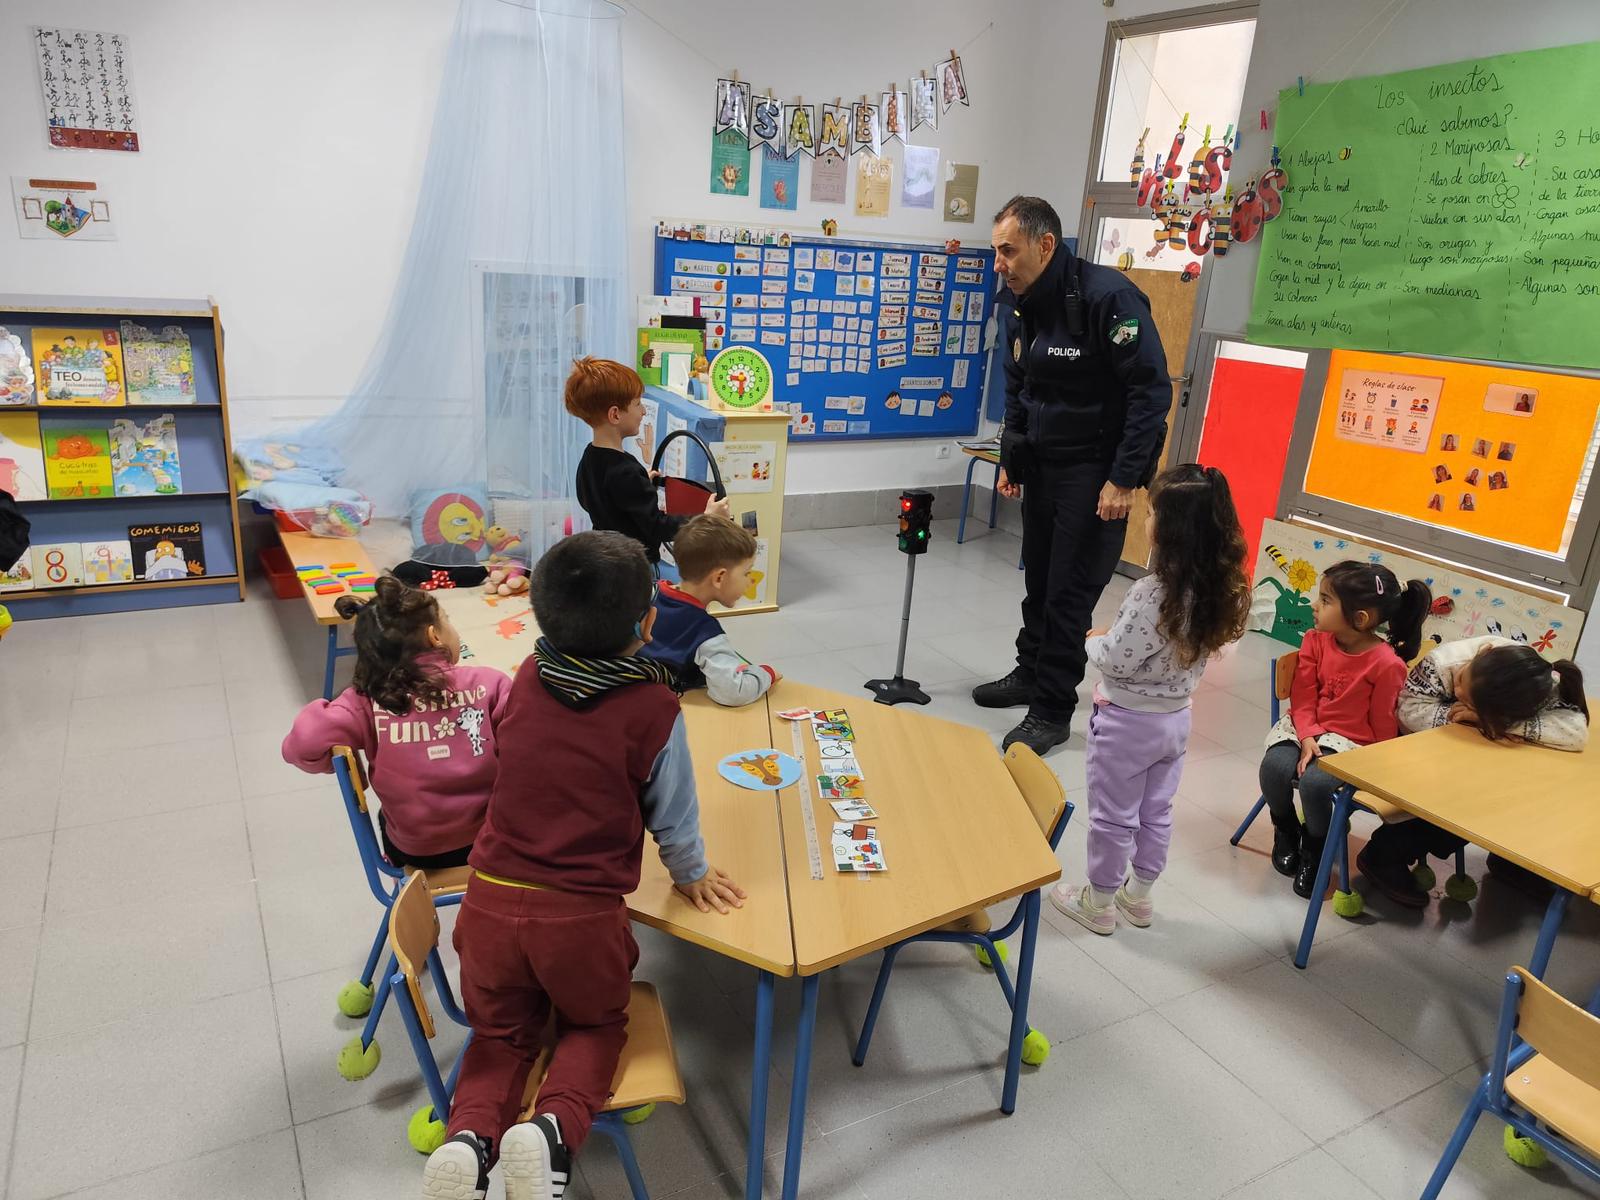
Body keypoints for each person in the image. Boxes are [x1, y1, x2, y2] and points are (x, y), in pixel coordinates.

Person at [422, 531, 746, 1200]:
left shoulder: (528, 677)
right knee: (595, 1024)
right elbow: (674, 813)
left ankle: (468, 1139)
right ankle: (550, 1135)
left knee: (501, 1035)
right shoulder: (654, 706)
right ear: (649, 624)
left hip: (485, 903)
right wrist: (690, 875)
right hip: (577, 918)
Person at [973, 195, 1172, 755]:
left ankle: (1053, 707)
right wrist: (1013, 458)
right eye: (996, 252)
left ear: (1044, 244)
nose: (1000, 265)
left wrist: (1125, 478)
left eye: (1008, 251)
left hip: (1096, 471)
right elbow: (1019, 385)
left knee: (1068, 591)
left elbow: (1150, 392)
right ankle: (1029, 673)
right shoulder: (1019, 302)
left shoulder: (1108, 298)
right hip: (1044, 465)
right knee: (1039, 579)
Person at [1049, 465, 1252, 934]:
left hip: (1126, 723)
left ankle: (1097, 902)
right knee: (1156, 811)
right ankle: (1138, 897)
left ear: (1171, 529)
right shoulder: (1219, 589)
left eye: (1154, 512)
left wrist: (1093, 640)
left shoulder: (1152, 593)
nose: (1147, 519)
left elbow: (1118, 659)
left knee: (1112, 817)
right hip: (1176, 721)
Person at [282, 575, 511, 869]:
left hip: (415, 851)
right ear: (435, 636)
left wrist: (349, 769)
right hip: (492, 843)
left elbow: (299, 747)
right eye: (448, 620)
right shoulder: (489, 684)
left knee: (386, 816)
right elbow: (529, 747)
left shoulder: (364, 700)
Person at [1356, 639, 1589, 906]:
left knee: (1528, 786)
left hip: (1480, 759)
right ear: (1484, 651)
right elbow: (1407, 712)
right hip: (1418, 754)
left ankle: (1511, 860)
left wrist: (1499, 723)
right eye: (1461, 680)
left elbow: (1575, 732)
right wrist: (1471, 721)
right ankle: (1384, 855)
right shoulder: (1443, 663)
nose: (1456, 687)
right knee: (1467, 798)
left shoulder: (1529, 680)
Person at [1258, 561, 1432, 898]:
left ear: (1360, 618)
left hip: (1352, 742)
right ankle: (1286, 829)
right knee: (1273, 767)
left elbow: (1383, 727)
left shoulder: (1387, 664)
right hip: (1304, 726)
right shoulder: (1315, 639)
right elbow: (1304, 695)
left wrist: (1371, 768)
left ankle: (1316, 849)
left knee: (1315, 784)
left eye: (1325, 600)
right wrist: (1307, 736)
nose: (1314, 605)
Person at [568, 356, 728, 568]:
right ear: (615, 414)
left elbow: (592, 500)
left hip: (606, 559)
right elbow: (658, 527)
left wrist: (640, 482)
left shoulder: (590, 457)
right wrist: (707, 517)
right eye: (638, 404)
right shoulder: (625, 472)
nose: (643, 411)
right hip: (635, 567)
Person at [638, 513, 781, 706]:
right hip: (669, 712)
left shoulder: (647, 592)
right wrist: (766, 674)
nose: (750, 580)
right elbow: (733, 692)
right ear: (719, 578)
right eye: (746, 572)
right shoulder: (706, 633)